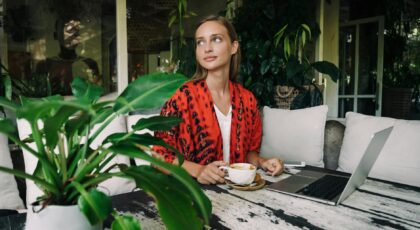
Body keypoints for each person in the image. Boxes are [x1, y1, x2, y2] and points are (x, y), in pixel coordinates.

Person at [154, 15, 283, 185]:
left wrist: (263, 162)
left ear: (233, 47)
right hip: (191, 193)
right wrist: (198, 170)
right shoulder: (182, 97)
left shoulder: (247, 99)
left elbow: (249, 154)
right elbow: (159, 156)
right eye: (200, 42)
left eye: (216, 39)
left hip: (235, 192)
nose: (207, 48)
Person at [36, 19, 101, 95]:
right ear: (56, 35)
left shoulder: (89, 64)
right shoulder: (45, 65)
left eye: (76, 33)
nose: (72, 37)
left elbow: (96, 93)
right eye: (67, 32)